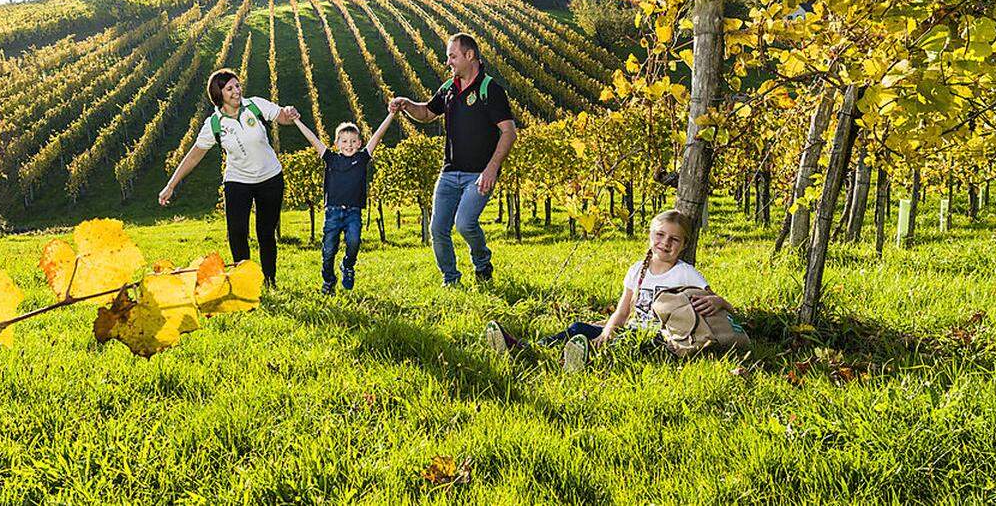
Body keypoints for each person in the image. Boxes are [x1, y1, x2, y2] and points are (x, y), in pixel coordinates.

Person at [484, 209, 734, 370]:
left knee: (627, 347)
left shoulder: (686, 273)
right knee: (578, 328)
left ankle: (579, 361)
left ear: (684, 244)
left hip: (660, 340)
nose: (665, 243)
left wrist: (719, 302)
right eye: (660, 235)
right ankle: (525, 348)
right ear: (650, 236)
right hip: (631, 329)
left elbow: (725, 309)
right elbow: (623, 311)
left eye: (674, 239)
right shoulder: (638, 269)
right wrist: (607, 330)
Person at [388, 33, 516, 287]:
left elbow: (509, 132)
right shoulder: (448, 89)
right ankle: (451, 279)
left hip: (478, 174)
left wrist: (492, 169)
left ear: (470, 56)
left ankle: (482, 262)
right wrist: (406, 104)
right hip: (449, 173)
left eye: (452, 56)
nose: (448, 62)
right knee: (438, 230)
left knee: (465, 223)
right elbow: (426, 112)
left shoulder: (490, 89)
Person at [159, 68, 299, 288]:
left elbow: (281, 116)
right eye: (230, 88)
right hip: (238, 181)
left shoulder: (255, 105)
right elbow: (193, 156)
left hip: (270, 177)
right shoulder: (214, 124)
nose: (237, 91)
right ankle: (245, 282)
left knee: (265, 233)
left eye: (237, 85)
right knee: (237, 232)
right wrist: (171, 185)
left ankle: (269, 280)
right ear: (219, 94)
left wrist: (289, 113)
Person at [293, 111, 396, 294]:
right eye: (344, 141)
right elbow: (313, 140)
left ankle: (347, 265)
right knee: (328, 251)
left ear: (359, 143)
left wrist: (391, 115)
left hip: (353, 212)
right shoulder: (331, 158)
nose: (349, 145)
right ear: (337, 144)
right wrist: (296, 120)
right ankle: (328, 281)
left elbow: (378, 135)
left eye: (353, 141)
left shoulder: (362, 158)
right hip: (332, 212)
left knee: (354, 241)